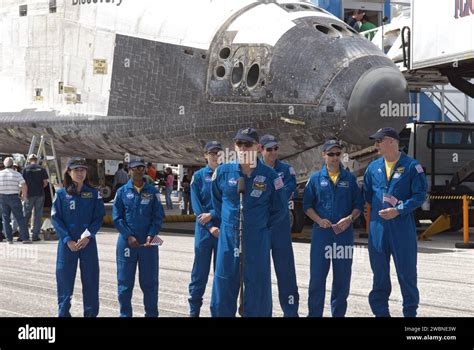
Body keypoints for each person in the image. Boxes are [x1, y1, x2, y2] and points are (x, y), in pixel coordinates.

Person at [211, 128, 287, 317]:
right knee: (224, 283)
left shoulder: (271, 176)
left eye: (248, 144)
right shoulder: (222, 172)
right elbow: (217, 202)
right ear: (234, 146)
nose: (243, 148)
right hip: (229, 238)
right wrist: (229, 222)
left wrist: (259, 226)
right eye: (239, 144)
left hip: (257, 238)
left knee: (257, 286)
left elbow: (279, 209)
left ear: (258, 148)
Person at [364, 128, 427, 317]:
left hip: (401, 228)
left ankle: (410, 314)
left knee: (407, 274)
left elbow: (420, 195)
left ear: (391, 141)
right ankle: (381, 313)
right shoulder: (373, 168)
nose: (375, 145)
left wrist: (398, 210)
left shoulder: (411, 167)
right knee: (380, 275)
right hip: (378, 229)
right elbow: (367, 195)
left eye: (379, 141)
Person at [303, 140, 363, 317]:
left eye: (337, 154)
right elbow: (307, 205)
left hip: (343, 235)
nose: (335, 158)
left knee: (342, 280)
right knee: (317, 280)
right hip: (322, 235)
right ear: (324, 155)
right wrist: (319, 220)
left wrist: (350, 218)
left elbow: (358, 205)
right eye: (331, 154)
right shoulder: (315, 179)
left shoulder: (350, 179)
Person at [51, 157, 105, 317]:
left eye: (82, 170)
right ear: (69, 172)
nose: (80, 173)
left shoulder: (94, 193)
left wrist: (88, 236)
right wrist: (67, 240)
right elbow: (56, 219)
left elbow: (98, 217)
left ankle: (91, 314)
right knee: (65, 282)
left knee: (91, 281)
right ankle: (63, 313)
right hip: (67, 245)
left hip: (87, 243)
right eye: (76, 170)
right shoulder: (61, 194)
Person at [113, 156, 165, 317]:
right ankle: (125, 314)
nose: (138, 171)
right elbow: (117, 217)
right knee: (125, 283)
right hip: (127, 243)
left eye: (141, 168)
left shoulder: (153, 191)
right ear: (129, 170)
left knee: (149, 283)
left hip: (147, 245)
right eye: (135, 168)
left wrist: (151, 235)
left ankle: (151, 314)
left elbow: (158, 216)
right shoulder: (121, 192)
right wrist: (128, 235)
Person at [259, 134, 299, 317]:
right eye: (269, 149)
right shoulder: (252, 170)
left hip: (280, 228)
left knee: (286, 273)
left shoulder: (286, 170)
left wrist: (267, 197)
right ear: (261, 150)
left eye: (276, 148)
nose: (274, 152)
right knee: (259, 274)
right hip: (260, 228)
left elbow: (286, 194)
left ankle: (290, 312)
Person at [188, 141, 222, 317]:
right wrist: (209, 226)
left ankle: (217, 310)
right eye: (212, 153)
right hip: (204, 231)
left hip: (222, 229)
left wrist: (214, 214)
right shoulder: (199, 176)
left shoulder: (227, 174)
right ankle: (194, 310)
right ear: (205, 156)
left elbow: (229, 201)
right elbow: (196, 205)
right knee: (199, 272)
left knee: (221, 272)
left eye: (218, 153)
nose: (215, 156)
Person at [0, 157, 31, 244]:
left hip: (2, 198)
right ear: (12, 164)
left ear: (4, 165)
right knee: (20, 218)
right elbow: (24, 185)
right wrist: (24, 197)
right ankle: (25, 238)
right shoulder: (16, 174)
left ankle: (9, 239)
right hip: (14, 197)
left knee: (5, 219)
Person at [22, 153, 49, 241]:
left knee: (26, 215)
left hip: (29, 195)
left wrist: (24, 195)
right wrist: (39, 187)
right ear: (36, 160)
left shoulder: (25, 169)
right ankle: (35, 236)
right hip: (40, 194)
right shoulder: (42, 169)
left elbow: (23, 183)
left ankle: (24, 235)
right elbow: (45, 183)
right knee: (38, 215)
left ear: (29, 160)